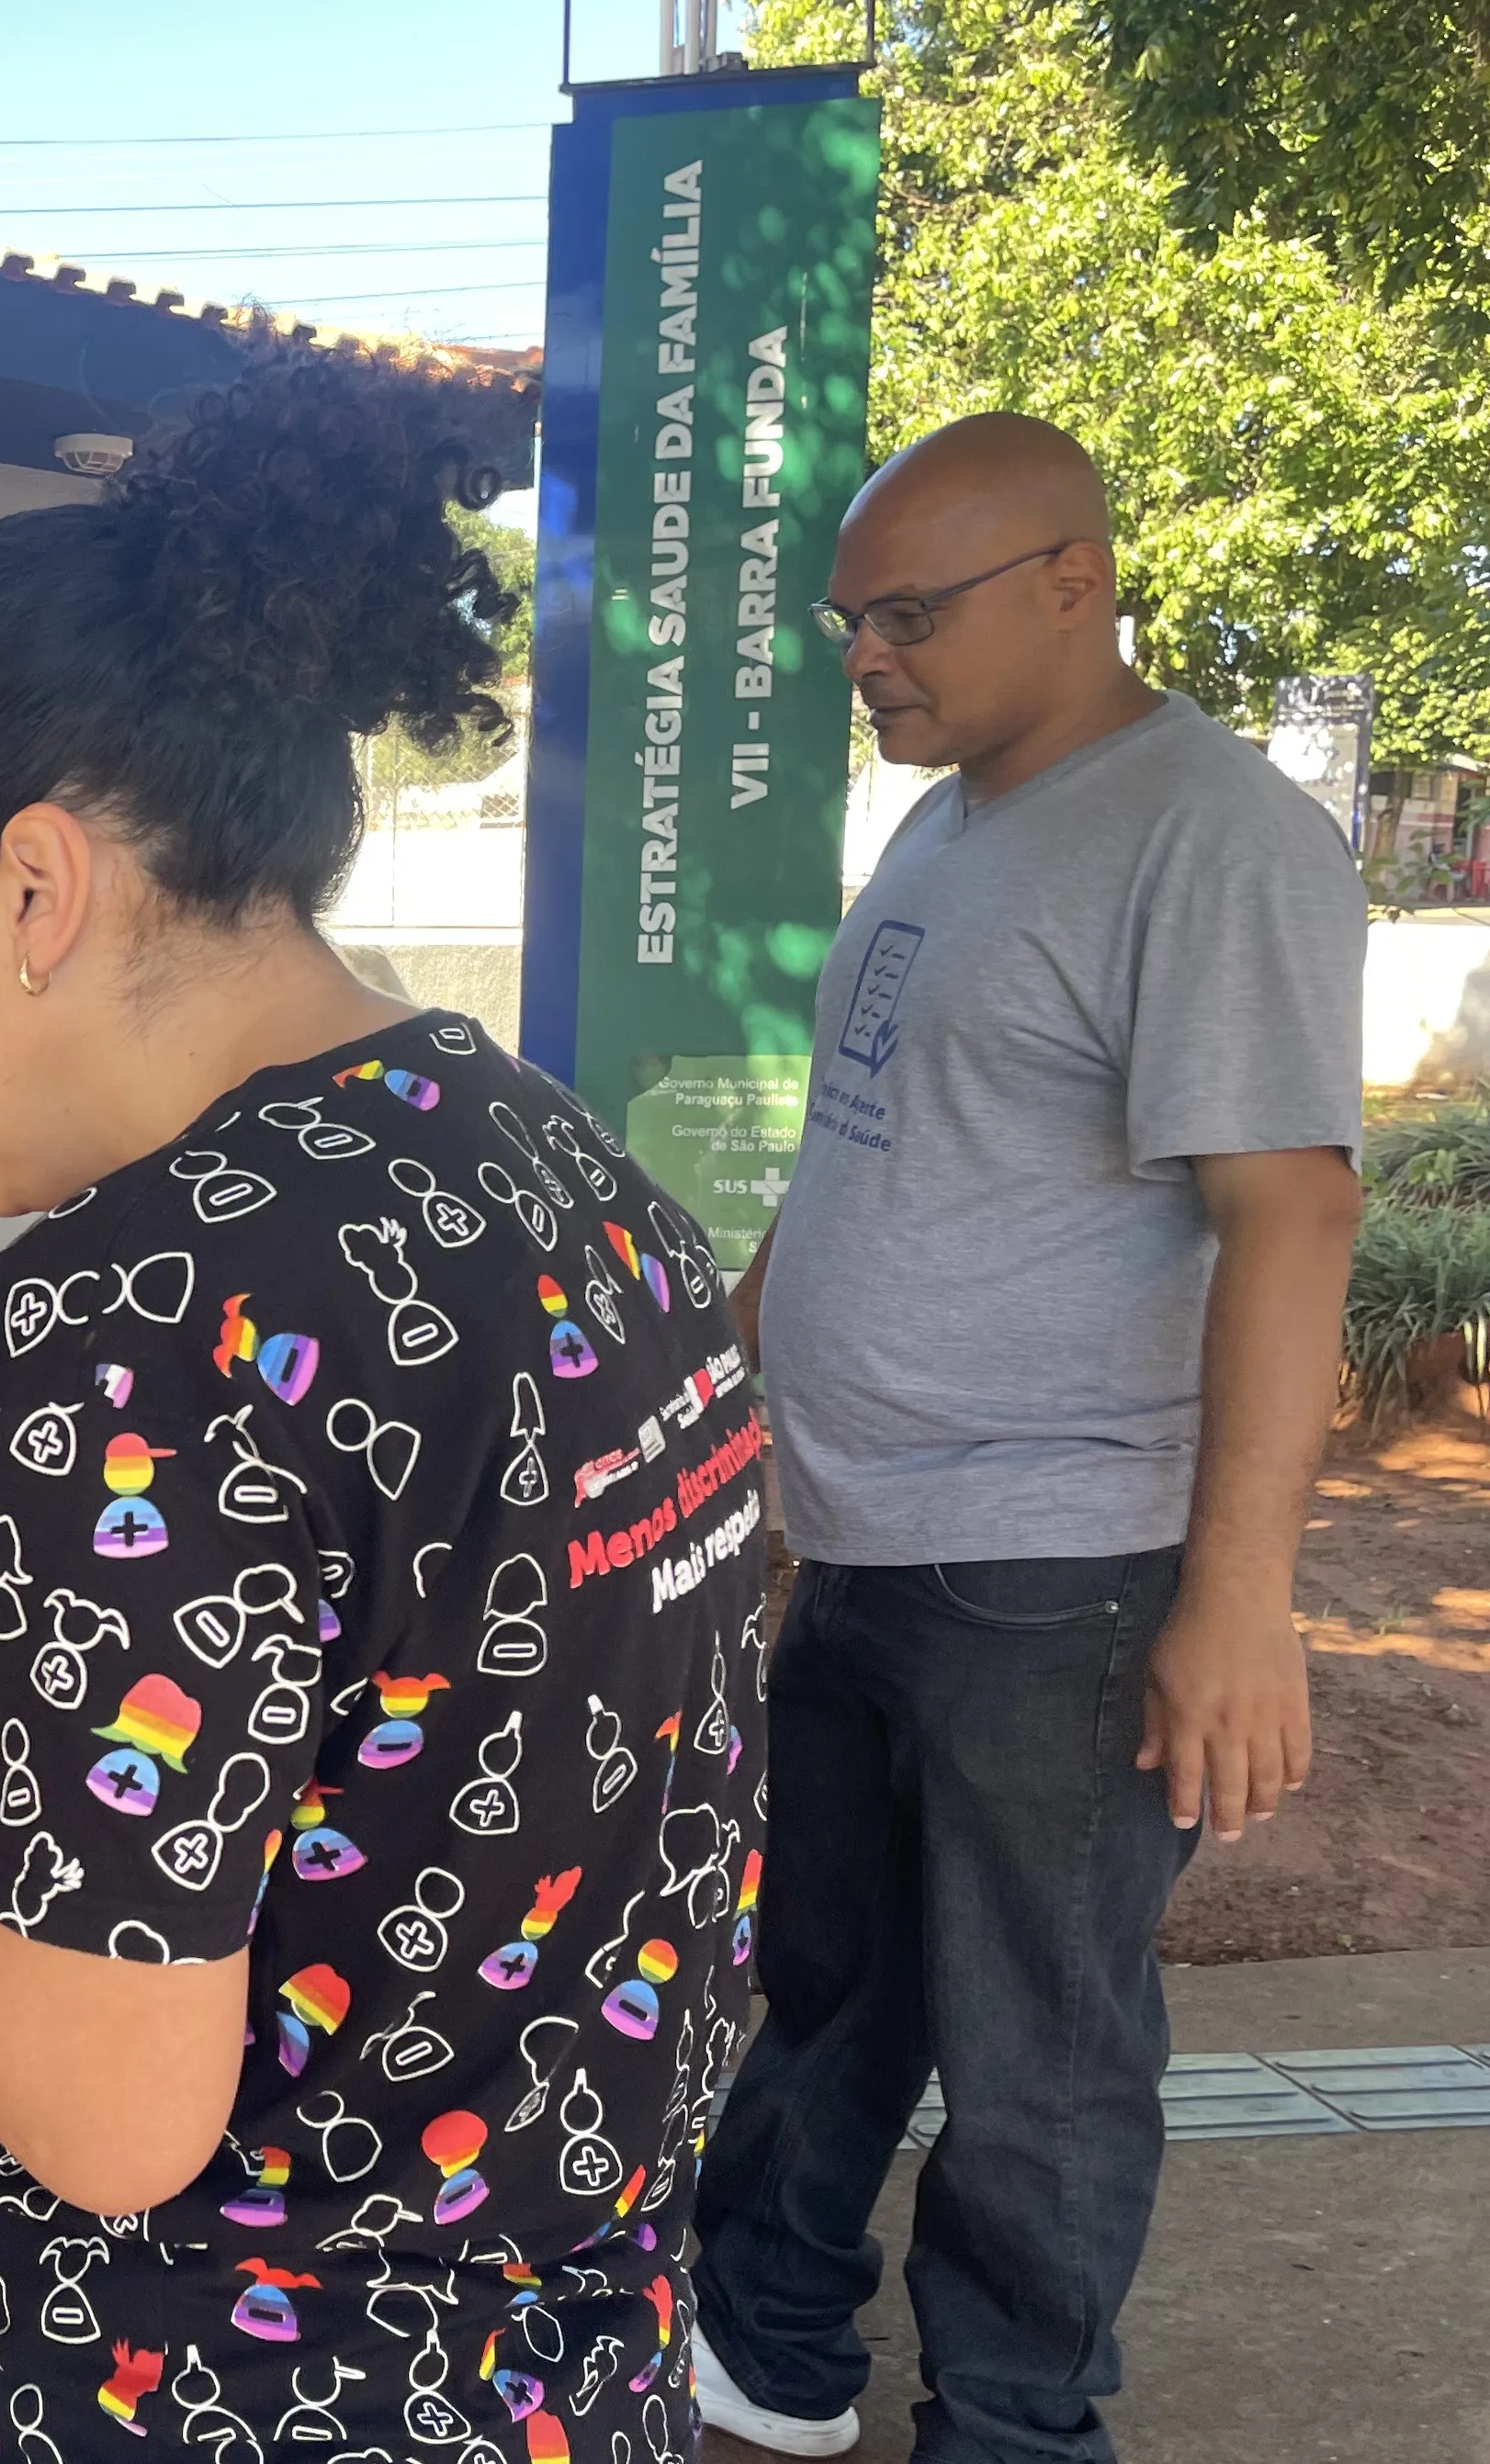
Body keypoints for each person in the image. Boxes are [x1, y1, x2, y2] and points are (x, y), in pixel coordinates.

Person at [0, 351, 771, 2458]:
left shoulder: (138, 1306)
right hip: (563, 2372)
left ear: (29, 889)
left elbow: (99, 2112)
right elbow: (406, 1735)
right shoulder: (560, 1174)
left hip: (248, 2388)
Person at [686, 415, 1368, 2464]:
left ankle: (1012, 2424)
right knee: (830, 1986)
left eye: (907, 613)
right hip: (869, 1535)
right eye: (845, 623)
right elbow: (868, 1150)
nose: (866, 658)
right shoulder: (955, 820)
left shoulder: (1207, 836)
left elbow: (1293, 1210)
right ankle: (772, 2349)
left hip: (1059, 1575)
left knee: (1035, 2056)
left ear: (1071, 577)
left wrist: (1236, 1600)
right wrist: (741, 1386)